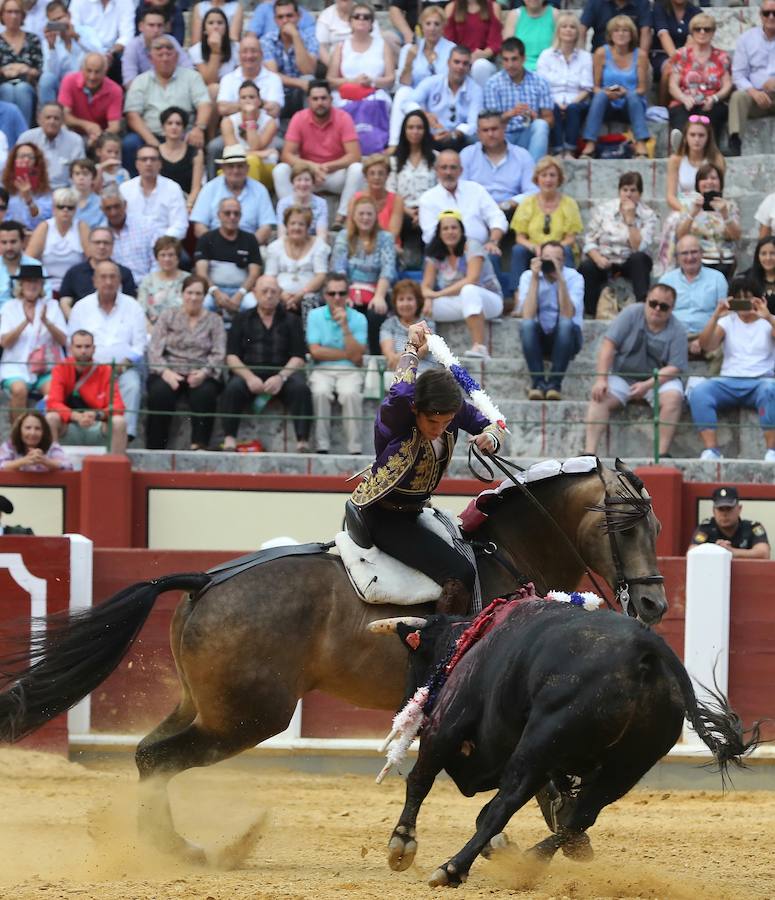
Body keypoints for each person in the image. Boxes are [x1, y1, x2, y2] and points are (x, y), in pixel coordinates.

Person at [350, 319, 503, 614]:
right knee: (461, 572)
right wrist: (411, 348)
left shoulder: (452, 413)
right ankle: (440, 643)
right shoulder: (397, 418)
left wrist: (490, 438)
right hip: (381, 516)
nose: (439, 428)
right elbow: (402, 391)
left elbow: (494, 422)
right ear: (415, 411)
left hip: (416, 512)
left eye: (446, 422)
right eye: (432, 421)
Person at [583, 283, 687, 458]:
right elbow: (609, 345)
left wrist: (647, 385)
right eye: (653, 303)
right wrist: (601, 379)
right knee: (599, 396)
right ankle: (589, 453)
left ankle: (661, 453)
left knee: (674, 397)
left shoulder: (678, 329)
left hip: (656, 380)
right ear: (646, 300)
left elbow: (674, 367)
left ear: (672, 308)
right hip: (622, 375)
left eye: (664, 306)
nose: (657, 309)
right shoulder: (631, 313)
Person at [221, 274, 312, 453]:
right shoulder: (241, 318)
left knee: (301, 389)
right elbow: (231, 356)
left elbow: (298, 357)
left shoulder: (291, 320)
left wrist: (281, 377)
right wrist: (249, 378)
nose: (269, 295)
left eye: (273, 291)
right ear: (254, 293)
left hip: (282, 372)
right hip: (249, 372)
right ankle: (230, 438)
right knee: (232, 389)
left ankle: (302, 442)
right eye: (264, 291)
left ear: (279, 294)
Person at [689, 278, 775, 463]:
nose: (744, 304)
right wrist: (715, 316)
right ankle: (711, 450)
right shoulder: (727, 321)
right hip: (729, 380)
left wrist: (768, 316)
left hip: (761, 381)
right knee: (699, 392)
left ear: (759, 300)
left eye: (749, 299)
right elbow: (707, 345)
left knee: (771, 390)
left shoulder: (768, 321)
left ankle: (772, 451)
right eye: (739, 299)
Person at [66, 260, 147, 440]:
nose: (108, 282)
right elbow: (70, 342)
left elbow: (140, 345)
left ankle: (125, 437)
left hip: (123, 369)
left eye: (113, 277)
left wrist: (123, 365)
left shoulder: (133, 306)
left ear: (119, 281)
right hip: (88, 369)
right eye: (103, 277)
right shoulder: (81, 307)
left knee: (132, 384)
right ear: (94, 281)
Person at [146, 274, 225, 450]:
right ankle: (156, 447)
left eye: (198, 293)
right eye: (190, 293)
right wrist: (165, 372)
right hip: (170, 370)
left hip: (201, 371)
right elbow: (154, 348)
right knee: (160, 394)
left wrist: (204, 373)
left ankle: (199, 445)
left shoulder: (215, 320)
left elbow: (219, 352)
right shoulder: (168, 316)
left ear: (204, 296)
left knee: (205, 394)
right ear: (182, 294)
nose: (194, 298)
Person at [273, 80, 363, 227]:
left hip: (334, 174)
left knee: (357, 169)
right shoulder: (299, 118)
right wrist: (312, 167)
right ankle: (293, 215)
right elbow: (286, 155)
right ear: (308, 101)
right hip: (307, 176)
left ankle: (342, 217)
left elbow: (354, 155)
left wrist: (326, 166)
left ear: (331, 99)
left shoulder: (343, 118)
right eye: (315, 99)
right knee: (280, 170)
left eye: (323, 98)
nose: (320, 103)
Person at [422, 209, 503, 358]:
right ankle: (422, 351)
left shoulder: (472, 246)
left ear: (461, 231)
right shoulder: (435, 253)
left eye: (454, 228)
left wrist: (436, 295)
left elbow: (472, 279)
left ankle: (479, 347)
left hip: (488, 301)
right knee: (419, 307)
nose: (450, 232)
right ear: (439, 233)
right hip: (459, 302)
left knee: (469, 290)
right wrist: (428, 298)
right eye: (445, 228)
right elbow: (426, 286)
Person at [123, 36, 211, 173]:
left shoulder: (192, 77)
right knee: (129, 143)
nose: (165, 59)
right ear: (150, 58)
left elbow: (204, 104)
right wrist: (151, 140)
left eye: (169, 54)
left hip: (183, 134)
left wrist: (199, 128)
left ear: (176, 57)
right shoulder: (140, 81)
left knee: (197, 143)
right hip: (151, 134)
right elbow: (132, 115)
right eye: (160, 55)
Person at [579, 170, 658, 316]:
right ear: (619, 191)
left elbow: (639, 247)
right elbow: (589, 240)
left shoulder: (648, 215)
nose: (628, 194)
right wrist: (597, 258)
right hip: (605, 259)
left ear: (639, 193)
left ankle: (642, 306)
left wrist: (630, 220)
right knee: (587, 266)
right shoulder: (603, 210)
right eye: (625, 190)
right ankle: (589, 311)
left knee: (639, 259)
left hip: (630, 260)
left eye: (633, 190)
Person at [306, 271, 367, 455]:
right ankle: (321, 446)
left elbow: (356, 358)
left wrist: (345, 327)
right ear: (325, 295)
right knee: (320, 392)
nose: (337, 298)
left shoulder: (358, 318)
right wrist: (347, 353)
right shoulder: (314, 315)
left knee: (350, 394)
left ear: (347, 295)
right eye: (332, 294)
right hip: (321, 369)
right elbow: (315, 351)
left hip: (349, 370)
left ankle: (355, 449)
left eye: (341, 293)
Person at [516, 240, 584, 400]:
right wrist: (534, 278)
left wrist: (560, 279)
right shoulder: (528, 275)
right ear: (539, 258)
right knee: (526, 325)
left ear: (564, 261)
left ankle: (554, 384)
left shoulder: (574, 277)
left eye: (557, 259)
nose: (551, 263)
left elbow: (568, 314)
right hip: (539, 339)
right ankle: (538, 383)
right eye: (547, 258)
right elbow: (527, 315)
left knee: (566, 323)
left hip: (568, 339)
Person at [330, 195, 396, 354]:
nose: (365, 218)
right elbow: (338, 268)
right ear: (353, 216)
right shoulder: (344, 236)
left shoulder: (385, 238)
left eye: (369, 214)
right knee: (346, 310)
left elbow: (387, 269)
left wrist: (379, 296)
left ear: (375, 216)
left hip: (376, 289)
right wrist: (345, 295)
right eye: (361, 214)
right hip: (349, 288)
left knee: (376, 313)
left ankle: (374, 357)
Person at [578, 16, 650, 160]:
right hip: (607, 104)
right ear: (610, 34)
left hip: (630, 105)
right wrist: (607, 93)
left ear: (632, 34)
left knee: (633, 96)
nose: (621, 34)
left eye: (625, 30)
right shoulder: (601, 53)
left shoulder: (640, 55)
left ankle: (641, 143)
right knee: (600, 96)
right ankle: (590, 144)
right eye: (616, 30)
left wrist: (625, 93)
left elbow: (642, 89)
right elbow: (595, 87)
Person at [0, 262, 66, 421]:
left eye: (36, 281)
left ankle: (45, 437)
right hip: (16, 366)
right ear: (21, 284)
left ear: (42, 285)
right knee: (19, 390)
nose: (32, 285)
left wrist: (47, 322)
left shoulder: (52, 306)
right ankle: (17, 438)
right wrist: (24, 323)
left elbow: (64, 340)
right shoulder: (10, 307)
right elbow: (4, 342)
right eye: (28, 281)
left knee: (53, 392)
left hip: (46, 367)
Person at [45, 327, 127, 453]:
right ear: (71, 349)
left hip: (97, 426)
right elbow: (53, 403)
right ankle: (53, 462)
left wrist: (97, 415)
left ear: (94, 349)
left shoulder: (106, 370)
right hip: (68, 426)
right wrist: (75, 416)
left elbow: (118, 406)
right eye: (78, 346)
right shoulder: (60, 368)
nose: (83, 351)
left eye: (87, 346)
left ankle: (116, 468)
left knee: (119, 422)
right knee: (50, 417)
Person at [387, 6, 455, 148]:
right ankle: (394, 144)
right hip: (417, 100)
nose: (432, 28)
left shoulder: (451, 49)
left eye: (437, 24)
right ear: (421, 26)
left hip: (440, 96)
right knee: (402, 93)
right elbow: (405, 82)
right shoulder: (410, 49)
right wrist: (409, 62)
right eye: (428, 24)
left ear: (443, 27)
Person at [510, 155, 582, 286]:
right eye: (544, 175)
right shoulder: (527, 203)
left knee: (566, 251)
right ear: (537, 179)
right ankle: (517, 295)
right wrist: (534, 247)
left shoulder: (569, 203)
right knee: (518, 250)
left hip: (560, 248)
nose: (548, 179)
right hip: (534, 249)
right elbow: (520, 237)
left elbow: (571, 238)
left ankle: (569, 291)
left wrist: (552, 251)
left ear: (559, 179)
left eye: (552, 175)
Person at [418, 149, 507, 249]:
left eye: (453, 167)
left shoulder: (476, 189)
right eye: (444, 167)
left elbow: (496, 217)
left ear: (461, 171)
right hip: (445, 252)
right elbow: (429, 235)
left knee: (493, 253)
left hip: (481, 250)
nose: (448, 172)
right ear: (436, 170)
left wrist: (493, 242)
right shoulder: (428, 198)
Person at [401, 44, 483, 153]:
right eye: (456, 62)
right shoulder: (432, 82)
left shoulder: (475, 90)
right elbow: (406, 103)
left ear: (469, 67)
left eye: (465, 63)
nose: (460, 67)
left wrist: (454, 134)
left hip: (459, 139)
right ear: (448, 63)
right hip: (432, 136)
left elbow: (474, 124)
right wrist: (425, 115)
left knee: (475, 138)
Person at [193, 196, 261, 325]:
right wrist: (216, 292)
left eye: (236, 213)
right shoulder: (206, 239)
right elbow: (201, 273)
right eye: (227, 213)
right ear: (219, 215)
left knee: (254, 306)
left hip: (242, 291)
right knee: (203, 304)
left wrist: (240, 294)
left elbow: (254, 273)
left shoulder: (250, 239)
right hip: (212, 290)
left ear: (240, 216)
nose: (232, 217)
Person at [482, 37, 553, 161]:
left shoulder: (540, 82)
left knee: (541, 125)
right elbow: (489, 123)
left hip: (528, 134)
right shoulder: (492, 84)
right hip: (504, 135)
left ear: (523, 58)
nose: (510, 65)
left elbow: (550, 120)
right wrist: (510, 114)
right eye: (506, 60)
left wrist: (535, 117)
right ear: (501, 61)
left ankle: (533, 173)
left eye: (514, 59)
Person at [191, 144, 276, 246]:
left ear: (247, 168)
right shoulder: (209, 188)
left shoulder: (260, 190)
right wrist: (215, 246)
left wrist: (248, 248)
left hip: (250, 246)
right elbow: (199, 226)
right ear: (223, 168)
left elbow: (266, 227)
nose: (235, 171)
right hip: (215, 246)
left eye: (240, 166)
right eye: (231, 166)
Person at [535, 12, 593, 158]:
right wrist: (558, 104)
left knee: (573, 109)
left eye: (572, 27)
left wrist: (570, 103)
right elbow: (541, 86)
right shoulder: (546, 55)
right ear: (558, 31)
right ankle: (557, 149)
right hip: (552, 99)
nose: (568, 30)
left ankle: (569, 150)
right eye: (564, 26)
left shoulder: (585, 57)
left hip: (577, 100)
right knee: (552, 108)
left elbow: (587, 88)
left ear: (577, 32)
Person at [667, 13, 731, 144]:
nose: (702, 32)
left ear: (713, 33)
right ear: (692, 32)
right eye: (698, 29)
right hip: (685, 100)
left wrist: (714, 98)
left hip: (711, 102)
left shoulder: (722, 56)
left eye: (707, 29)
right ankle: (681, 144)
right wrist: (683, 98)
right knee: (680, 115)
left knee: (714, 115)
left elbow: (727, 84)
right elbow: (672, 85)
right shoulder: (681, 54)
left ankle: (708, 149)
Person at [386, 111, 437, 268]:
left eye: (419, 127)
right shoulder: (394, 160)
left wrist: (423, 210)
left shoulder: (436, 158)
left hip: (430, 209)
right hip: (402, 210)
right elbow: (390, 190)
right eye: (411, 127)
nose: (415, 131)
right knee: (405, 221)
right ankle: (407, 261)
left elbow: (439, 188)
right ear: (404, 131)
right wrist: (407, 211)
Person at [661, 234, 728, 349]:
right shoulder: (666, 280)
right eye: (685, 253)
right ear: (677, 257)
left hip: (707, 335)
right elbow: (660, 314)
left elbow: (724, 315)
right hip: (673, 336)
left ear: (702, 253)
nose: (690, 257)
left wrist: (703, 340)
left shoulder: (717, 278)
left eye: (694, 252)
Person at [675, 164, 740, 279]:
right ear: (698, 184)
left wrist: (725, 215)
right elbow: (680, 236)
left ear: (720, 183)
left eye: (714, 178)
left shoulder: (730, 206)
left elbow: (736, 236)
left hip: (724, 260)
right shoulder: (689, 206)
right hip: (698, 261)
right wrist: (693, 213)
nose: (709, 182)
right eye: (704, 178)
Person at [727, 0, 775, 157]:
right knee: (738, 96)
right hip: (755, 98)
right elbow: (738, 75)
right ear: (760, 15)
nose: (771, 17)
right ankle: (735, 142)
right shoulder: (746, 39)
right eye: (767, 13)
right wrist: (754, 92)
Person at [264, 205, 329, 318]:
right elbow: (270, 276)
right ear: (286, 226)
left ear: (307, 226)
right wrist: (283, 295)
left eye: (301, 224)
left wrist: (301, 293)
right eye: (292, 223)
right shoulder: (275, 247)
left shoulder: (319, 246)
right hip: (279, 293)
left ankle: (308, 335)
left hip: (308, 293)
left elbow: (321, 275)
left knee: (310, 301)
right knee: (270, 299)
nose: (296, 228)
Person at [327, 2, 394, 109]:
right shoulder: (341, 47)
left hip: (375, 95)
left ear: (371, 23)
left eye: (366, 17)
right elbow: (330, 80)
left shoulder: (383, 45)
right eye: (357, 17)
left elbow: (391, 79)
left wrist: (372, 81)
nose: (361, 19)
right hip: (346, 96)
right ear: (350, 22)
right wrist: (353, 81)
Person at [59, 226, 135, 317]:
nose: (101, 246)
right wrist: (76, 322)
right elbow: (65, 302)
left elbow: (131, 304)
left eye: (106, 243)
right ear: (89, 245)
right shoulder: (74, 272)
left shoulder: (124, 273)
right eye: (97, 242)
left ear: (113, 246)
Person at [261, 0, 320, 119]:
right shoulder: (266, 41)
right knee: (268, 84)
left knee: (309, 79)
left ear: (298, 16)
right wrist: (299, 83)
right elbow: (272, 75)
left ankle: (310, 130)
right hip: (277, 94)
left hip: (300, 94)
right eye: (280, 17)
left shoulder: (310, 39)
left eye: (289, 16)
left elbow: (308, 71)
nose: (285, 21)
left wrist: (296, 36)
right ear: (275, 20)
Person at [37, 0, 103, 106]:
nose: (58, 23)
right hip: (61, 85)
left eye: (60, 18)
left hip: (86, 82)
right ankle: (50, 115)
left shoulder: (86, 32)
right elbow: (50, 74)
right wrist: (52, 47)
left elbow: (100, 56)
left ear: (68, 15)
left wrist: (76, 37)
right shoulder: (49, 41)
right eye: (54, 21)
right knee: (46, 79)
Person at [119, 145, 189, 242]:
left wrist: (161, 243)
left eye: (153, 159)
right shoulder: (125, 189)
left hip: (165, 246)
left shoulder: (173, 188)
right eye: (144, 159)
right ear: (137, 164)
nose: (148, 163)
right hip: (132, 243)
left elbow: (180, 225)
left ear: (160, 164)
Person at [215, 33, 284, 131]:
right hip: (234, 134)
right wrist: (258, 103)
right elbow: (222, 108)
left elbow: (274, 110)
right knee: (213, 147)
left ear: (261, 54)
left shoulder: (274, 79)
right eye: (244, 51)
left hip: (266, 134)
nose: (249, 56)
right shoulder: (228, 79)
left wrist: (239, 105)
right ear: (239, 55)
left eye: (253, 51)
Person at [26, 187, 87, 294]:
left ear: (75, 210)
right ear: (53, 209)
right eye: (61, 206)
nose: (65, 210)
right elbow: (28, 260)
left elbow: (93, 259)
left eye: (70, 207)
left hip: (76, 288)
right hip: (47, 289)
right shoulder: (44, 227)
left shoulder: (82, 227)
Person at [220, 81, 278, 191]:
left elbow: (255, 146)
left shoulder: (270, 122)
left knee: (252, 161)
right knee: (250, 160)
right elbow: (233, 152)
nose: (247, 100)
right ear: (238, 101)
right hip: (235, 166)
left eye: (251, 97)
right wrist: (260, 154)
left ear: (259, 101)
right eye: (243, 97)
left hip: (265, 167)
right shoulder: (228, 122)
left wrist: (250, 119)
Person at [58, 54, 123, 152]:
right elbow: (64, 115)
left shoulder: (115, 90)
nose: (92, 77)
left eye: (97, 72)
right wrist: (86, 125)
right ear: (82, 69)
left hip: (100, 136)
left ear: (105, 72)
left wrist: (99, 137)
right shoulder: (69, 80)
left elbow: (114, 126)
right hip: (73, 133)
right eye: (89, 71)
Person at [689, 486, 771, 559]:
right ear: (713, 511)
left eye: (729, 508)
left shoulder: (752, 527)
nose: (724, 514)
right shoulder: (706, 528)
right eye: (720, 509)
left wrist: (732, 552)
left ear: (739, 509)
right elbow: (692, 552)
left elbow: (764, 553)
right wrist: (715, 550)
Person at [18, 102, 85, 191]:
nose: (52, 122)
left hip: (64, 192)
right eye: (48, 117)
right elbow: (15, 168)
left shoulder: (75, 140)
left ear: (62, 121)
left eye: (56, 118)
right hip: (32, 190)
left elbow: (80, 172)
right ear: (39, 119)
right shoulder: (26, 138)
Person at [99, 186, 157, 285]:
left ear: (125, 205)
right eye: (108, 208)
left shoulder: (145, 226)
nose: (113, 212)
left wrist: (148, 285)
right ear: (102, 210)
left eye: (117, 206)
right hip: (115, 288)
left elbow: (156, 261)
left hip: (147, 284)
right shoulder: (101, 234)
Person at [121, 7, 191, 88]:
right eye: (151, 25)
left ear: (165, 27)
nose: (156, 30)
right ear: (141, 27)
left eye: (159, 25)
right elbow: (129, 80)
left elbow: (188, 67)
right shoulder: (132, 46)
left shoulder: (171, 41)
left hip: (173, 90)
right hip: (143, 93)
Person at [379, 278, 437, 376]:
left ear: (417, 302)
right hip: (398, 372)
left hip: (424, 372)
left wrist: (401, 357)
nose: (405, 304)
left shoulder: (427, 323)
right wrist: (408, 355)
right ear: (395, 303)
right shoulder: (389, 324)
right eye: (401, 299)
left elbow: (424, 350)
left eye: (409, 299)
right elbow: (389, 354)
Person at [67, 0, 134, 83]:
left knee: (125, 56)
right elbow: (75, 31)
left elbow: (127, 36)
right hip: (84, 49)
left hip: (112, 52)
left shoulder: (126, 2)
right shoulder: (78, 2)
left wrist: (109, 52)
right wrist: (98, 54)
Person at [0, 0, 42, 126]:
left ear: (23, 15)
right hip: (3, 84)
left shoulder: (33, 39)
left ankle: (23, 136)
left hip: (27, 84)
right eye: (9, 12)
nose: (13, 16)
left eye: (17, 12)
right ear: (2, 15)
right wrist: (5, 70)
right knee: (7, 89)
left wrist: (26, 70)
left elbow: (39, 69)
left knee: (22, 89)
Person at [443, 0, 501, 87]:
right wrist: (464, 58)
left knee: (480, 66)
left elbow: (496, 42)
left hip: (484, 59)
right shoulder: (451, 7)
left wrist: (483, 54)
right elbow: (448, 41)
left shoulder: (493, 6)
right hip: (459, 58)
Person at [190, 8, 238, 112]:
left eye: (220, 23)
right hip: (207, 94)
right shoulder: (196, 50)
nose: (216, 27)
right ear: (205, 29)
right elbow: (209, 81)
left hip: (232, 91)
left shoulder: (236, 47)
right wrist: (215, 52)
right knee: (214, 88)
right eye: (211, 23)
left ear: (226, 28)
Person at [158, 107, 205, 213]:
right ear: (163, 127)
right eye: (169, 123)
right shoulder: (155, 153)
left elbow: (196, 188)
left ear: (184, 128)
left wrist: (188, 205)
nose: (174, 127)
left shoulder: (196, 153)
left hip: (187, 203)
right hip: (160, 203)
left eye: (178, 124)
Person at [651, 0, 699, 102]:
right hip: (662, 54)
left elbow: (691, 40)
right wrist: (675, 59)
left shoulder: (696, 12)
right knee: (670, 69)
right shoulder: (660, 7)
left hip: (688, 55)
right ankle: (663, 107)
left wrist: (681, 60)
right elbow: (663, 35)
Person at [137, 236, 188, 326]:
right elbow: (141, 312)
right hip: (153, 330)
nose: (167, 259)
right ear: (157, 257)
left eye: (171, 255)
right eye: (163, 255)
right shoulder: (147, 281)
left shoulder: (188, 280)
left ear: (178, 257)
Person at [0, 409, 72, 470]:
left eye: (37, 428)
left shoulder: (52, 447)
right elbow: (1, 465)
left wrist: (44, 461)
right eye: (28, 428)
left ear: (44, 431)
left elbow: (68, 466)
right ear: (19, 430)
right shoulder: (9, 446)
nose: (32, 433)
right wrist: (23, 461)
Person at [352, 153, 404, 239]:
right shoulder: (356, 199)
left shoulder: (397, 200)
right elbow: (352, 230)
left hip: (388, 247)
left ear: (387, 176)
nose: (376, 177)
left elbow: (393, 235)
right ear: (365, 176)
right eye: (372, 173)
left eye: (381, 173)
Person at [3, 142, 52, 230]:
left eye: (30, 157)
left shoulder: (44, 190)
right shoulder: (4, 186)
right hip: (8, 235)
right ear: (14, 160)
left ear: (36, 162)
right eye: (22, 156)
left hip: (34, 234)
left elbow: (42, 219)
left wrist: (29, 200)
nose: (26, 160)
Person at [315, 0, 377, 68]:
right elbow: (320, 48)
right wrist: (336, 69)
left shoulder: (365, 12)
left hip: (367, 62)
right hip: (335, 64)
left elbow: (376, 42)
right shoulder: (326, 16)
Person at [275, 162, 328, 239]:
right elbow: (282, 235)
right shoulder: (284, 203)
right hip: (290, 244)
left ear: (313, 182)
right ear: (292, 183)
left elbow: (322, 236)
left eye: (307, 180)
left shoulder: (321, 203)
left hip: (312, 244)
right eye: (298, 180)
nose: (303, 184)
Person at [502, 0, 558, 73]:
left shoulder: (554, 14)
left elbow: (560, 45)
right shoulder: (514, 15)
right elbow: (507, 48)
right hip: (520, 68)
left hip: (550, 67)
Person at [0, 219, 45, 309]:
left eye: (13, 242)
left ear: (23, 241)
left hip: (31, 317)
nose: (9, 247)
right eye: (4, 242)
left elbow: (45, 298)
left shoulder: (36, 266)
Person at [580, 0, 653, 52]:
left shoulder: (642, 3)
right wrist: (582, 58)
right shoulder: (595, 2)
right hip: (600, 54)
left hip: (632, 54)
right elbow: (582, 29)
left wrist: (642, 58)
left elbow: (646, 31)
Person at [70, 158, 103, 229]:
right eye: (77, 174)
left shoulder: (101, 203)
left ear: (93, 178)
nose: (81, 177)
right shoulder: (63, 202)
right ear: (71, 177)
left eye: (85, 174)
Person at [746, 236, 775, 314]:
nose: (768, 258)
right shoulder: (746, 278)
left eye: (772, 253)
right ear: (757, 256)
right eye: (763, 254)